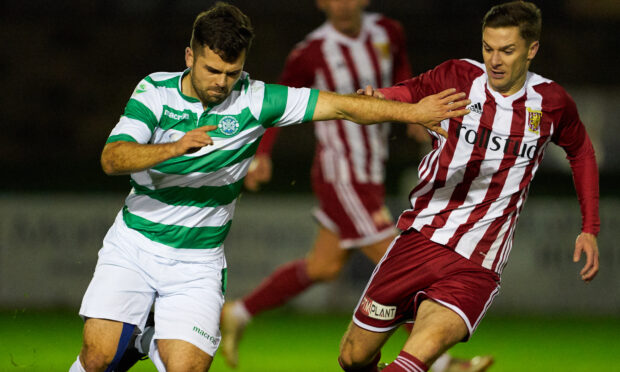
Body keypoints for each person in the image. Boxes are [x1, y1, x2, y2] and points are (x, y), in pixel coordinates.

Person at [68, 2, 471, 372]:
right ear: (189, 57)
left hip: (197, 263)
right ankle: (140, 337)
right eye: (212, 70)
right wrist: (173, 147)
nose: (221, 83)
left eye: (231, 72)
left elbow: (343, 105)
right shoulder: (155, 91)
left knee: (186, 368)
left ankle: (148, 334)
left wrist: (411, 112)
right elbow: (113, 157)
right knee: (99, 356)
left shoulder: (257, 99)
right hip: (135, 245)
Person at [221, 1, 492, 371]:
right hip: (340, 173)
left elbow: (401, 70)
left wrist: (413, 111)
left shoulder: (388, 33)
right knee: (399, 261)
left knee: (324, 265)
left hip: (370, 171)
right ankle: (443, 363)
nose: (342, 5)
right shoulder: (312, 50)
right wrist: (262, 153)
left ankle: (239, 312)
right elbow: (276, 99)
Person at [337, 2, 600, 371]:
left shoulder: (552, 103)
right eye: (488, 48)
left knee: (413, 358)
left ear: (531, 50)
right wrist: (378, 97)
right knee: (353, 357)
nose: (495, 60)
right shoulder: (457, 77)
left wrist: (590, 227)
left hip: (476, 262)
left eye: (507, 50)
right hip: (418, 240)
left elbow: (582, 151)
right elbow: (408, 92)